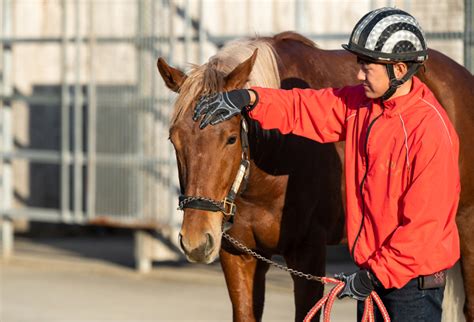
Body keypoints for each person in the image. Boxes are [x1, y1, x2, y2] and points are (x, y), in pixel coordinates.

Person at [193, 7, 460, 322]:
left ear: (399, 69)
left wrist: (375, 276)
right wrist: (250, 98)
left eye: (367, 66)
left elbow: (423, 228)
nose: (359, 74)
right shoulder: (363, 105)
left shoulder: (428, 130)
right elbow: (306, 107)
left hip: (412, 285)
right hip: (377, 273)